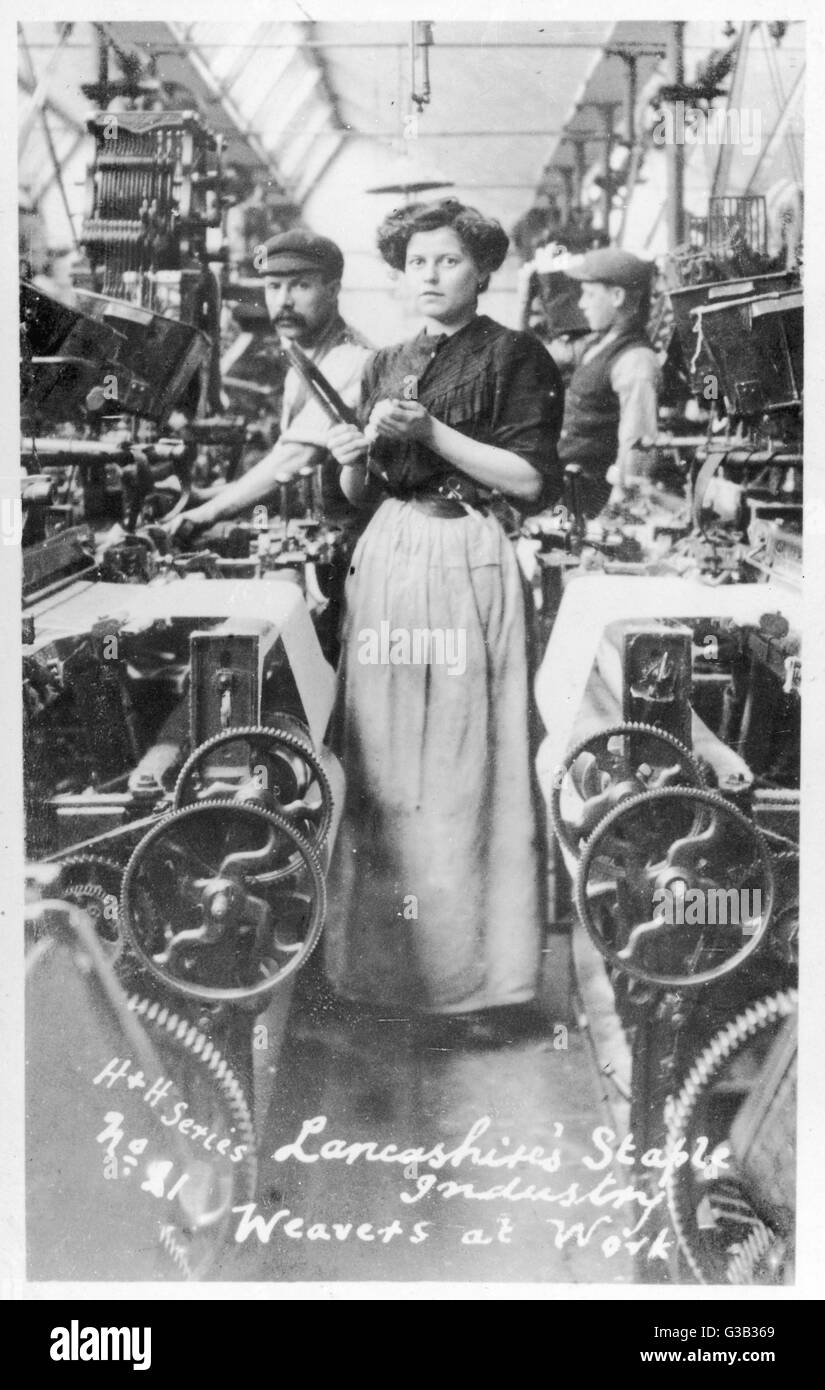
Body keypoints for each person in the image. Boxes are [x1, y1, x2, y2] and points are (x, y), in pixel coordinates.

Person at [323, 198, 564, 1043]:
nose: (428, 276)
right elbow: (362, 496)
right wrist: (352, 460)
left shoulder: (516, 355)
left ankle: (476, 986)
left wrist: (432, 428)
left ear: (482, 271)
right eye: (415, 262)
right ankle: (381, 980)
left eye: (447, 261)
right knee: (383, 762)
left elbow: (530, 480)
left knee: (466, 765)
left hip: (467, 557)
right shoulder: (383, 361)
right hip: (390, 556)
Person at [168, 230, 371, 534]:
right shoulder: (302, 356)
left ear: (332, 290)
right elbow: (282, 464)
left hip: (351, 537)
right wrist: (199, 497)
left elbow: (296, 456)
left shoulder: (352, 358)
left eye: (300, 286)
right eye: (273, 286)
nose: (283, 301)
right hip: (319, 528)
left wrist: (203, 515)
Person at [557, 247, 660, 517]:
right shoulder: (599, 344)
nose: (581, 303)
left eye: (589, 294)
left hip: (592, 502)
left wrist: (617, 512)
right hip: (568, 492)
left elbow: (636, 443)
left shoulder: (635, 360)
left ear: (617, 296)